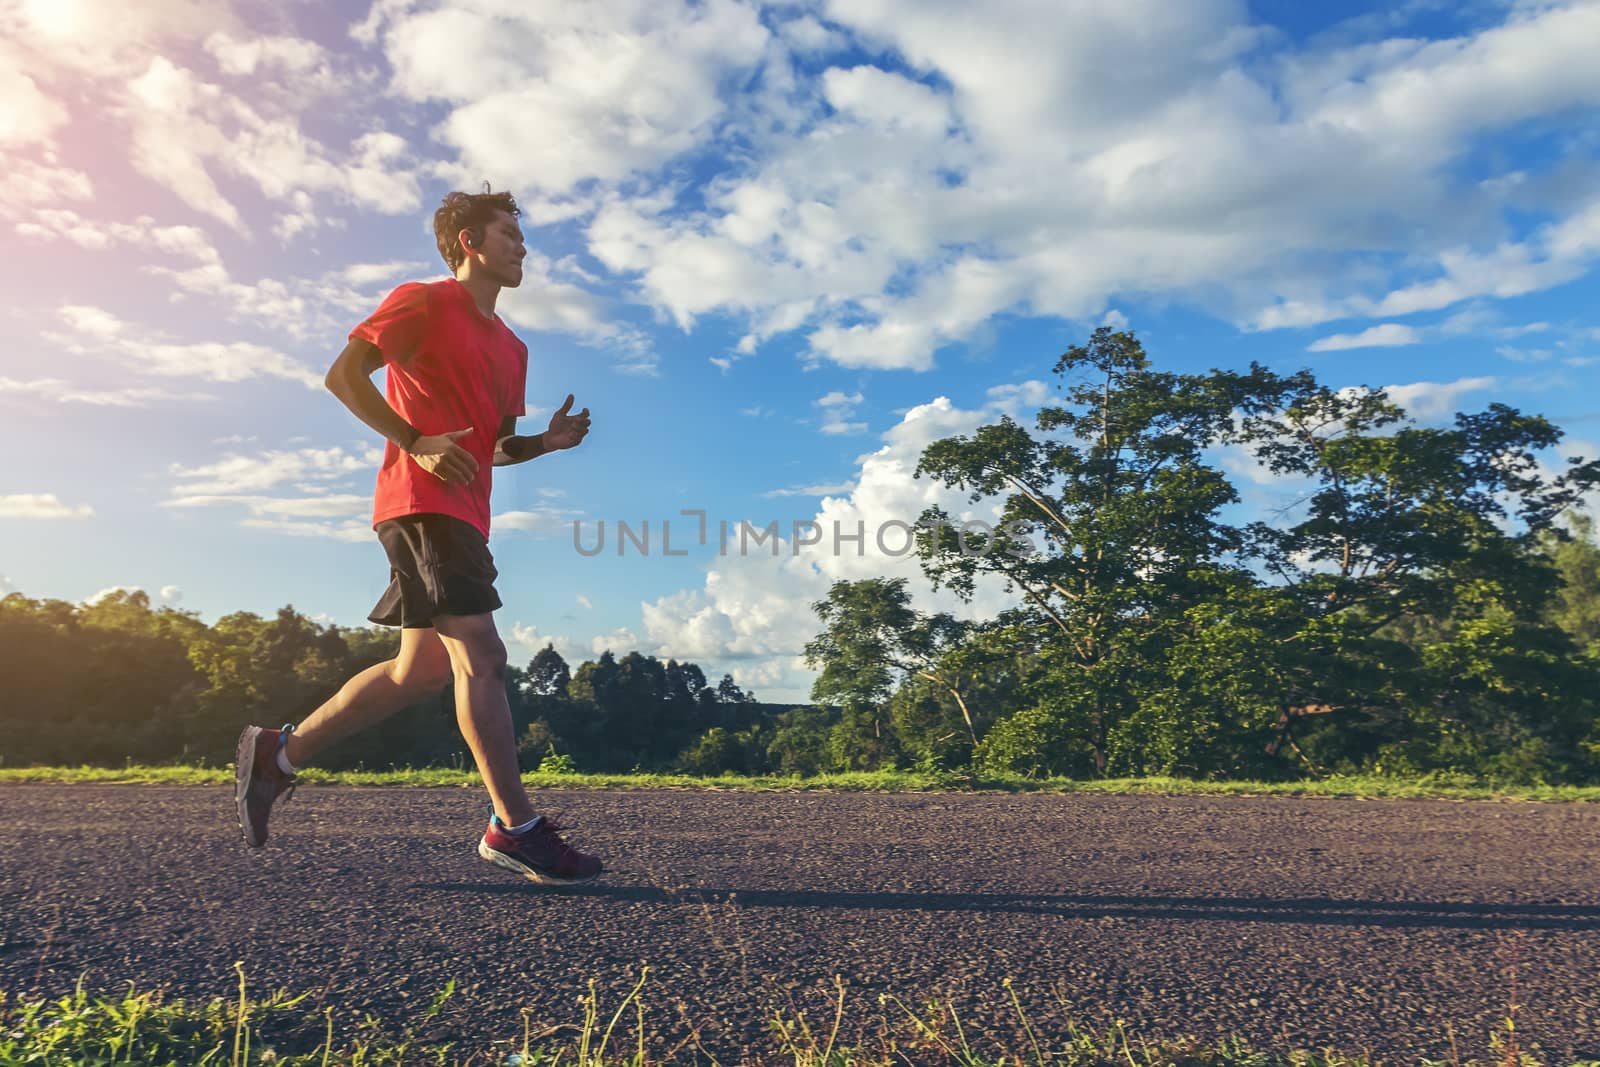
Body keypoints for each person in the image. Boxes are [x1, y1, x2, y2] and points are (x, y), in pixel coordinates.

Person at [234, 185, 601, 884]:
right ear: (469, 242)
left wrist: (544, 445)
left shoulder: (512, 348)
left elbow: (492, 446)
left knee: (422, 669)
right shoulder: (424, 301)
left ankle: (277, 754)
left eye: (521, 236)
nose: (521, 246)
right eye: (508, 234)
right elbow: (343, 376)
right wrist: (415, 440)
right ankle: (514, 825)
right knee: (482, 657)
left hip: (463, 513)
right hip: (421, 502)